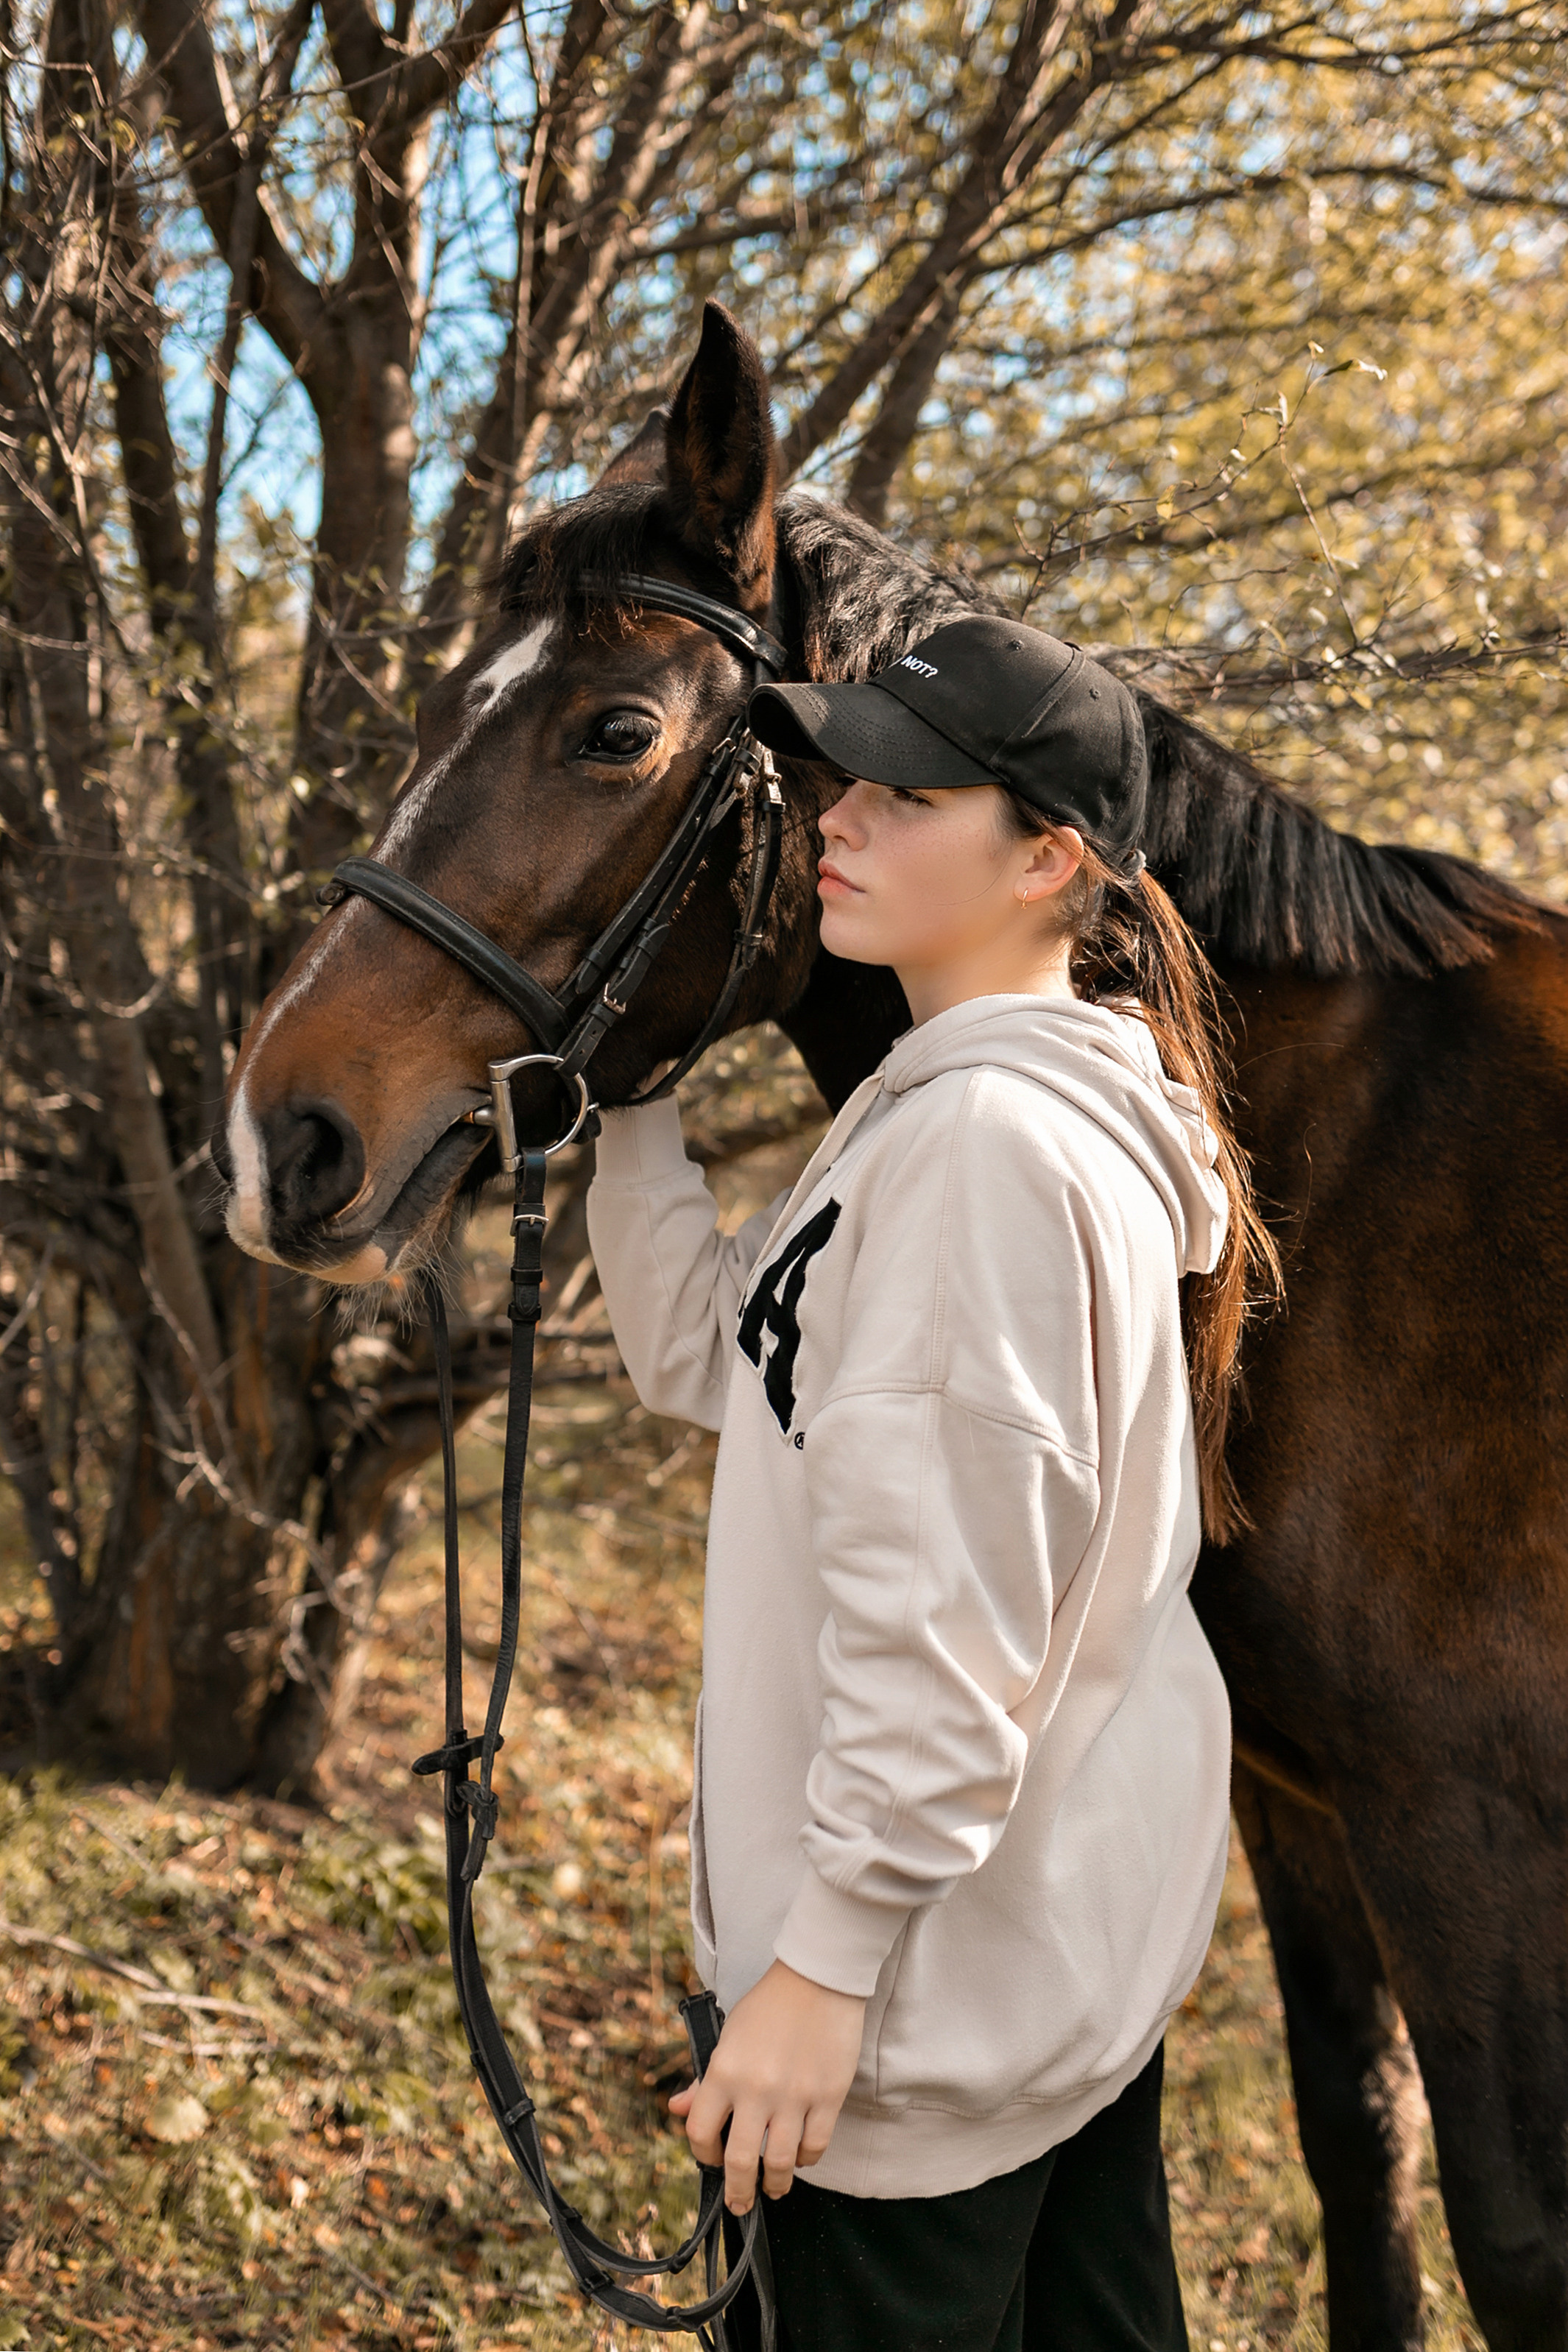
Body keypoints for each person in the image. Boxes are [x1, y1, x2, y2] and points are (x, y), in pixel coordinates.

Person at [585, 614, 1278, 2351]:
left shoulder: (983, 1146)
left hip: (908, 2023)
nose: (842, 818)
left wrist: (818, 1977)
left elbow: (945, 1624)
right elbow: (715, 1351)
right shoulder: (959, 1102)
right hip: (1041, 1964)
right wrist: (632, 1112)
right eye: (848, 779)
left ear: (1048, 856)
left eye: (905, 792)